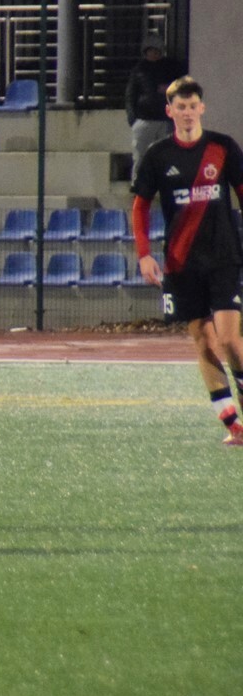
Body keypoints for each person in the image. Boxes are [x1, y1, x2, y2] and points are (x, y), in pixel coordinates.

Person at [131, 76, 243, 445]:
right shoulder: (158, 156)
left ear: (202, 108)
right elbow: (140, 206)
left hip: (224, 258)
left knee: (230, 340)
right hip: (181, 263)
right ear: (170, 111)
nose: (188, 112)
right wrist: (144, 254)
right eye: (181, 107)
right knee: (203, 342)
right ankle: (233, 425)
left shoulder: (223, 147)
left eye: (193, 106)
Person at [126, 32, 187, 177]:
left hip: (165, 119)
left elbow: (183, 84)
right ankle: (138, 183)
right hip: (144, 119)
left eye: (157, 50)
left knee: (166, 156)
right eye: (151, 50)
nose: (154, 54)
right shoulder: (139, 70)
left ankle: (163, 184)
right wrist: (133, 119)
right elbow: (130, 95)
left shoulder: (171, 67)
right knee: (140, 155)